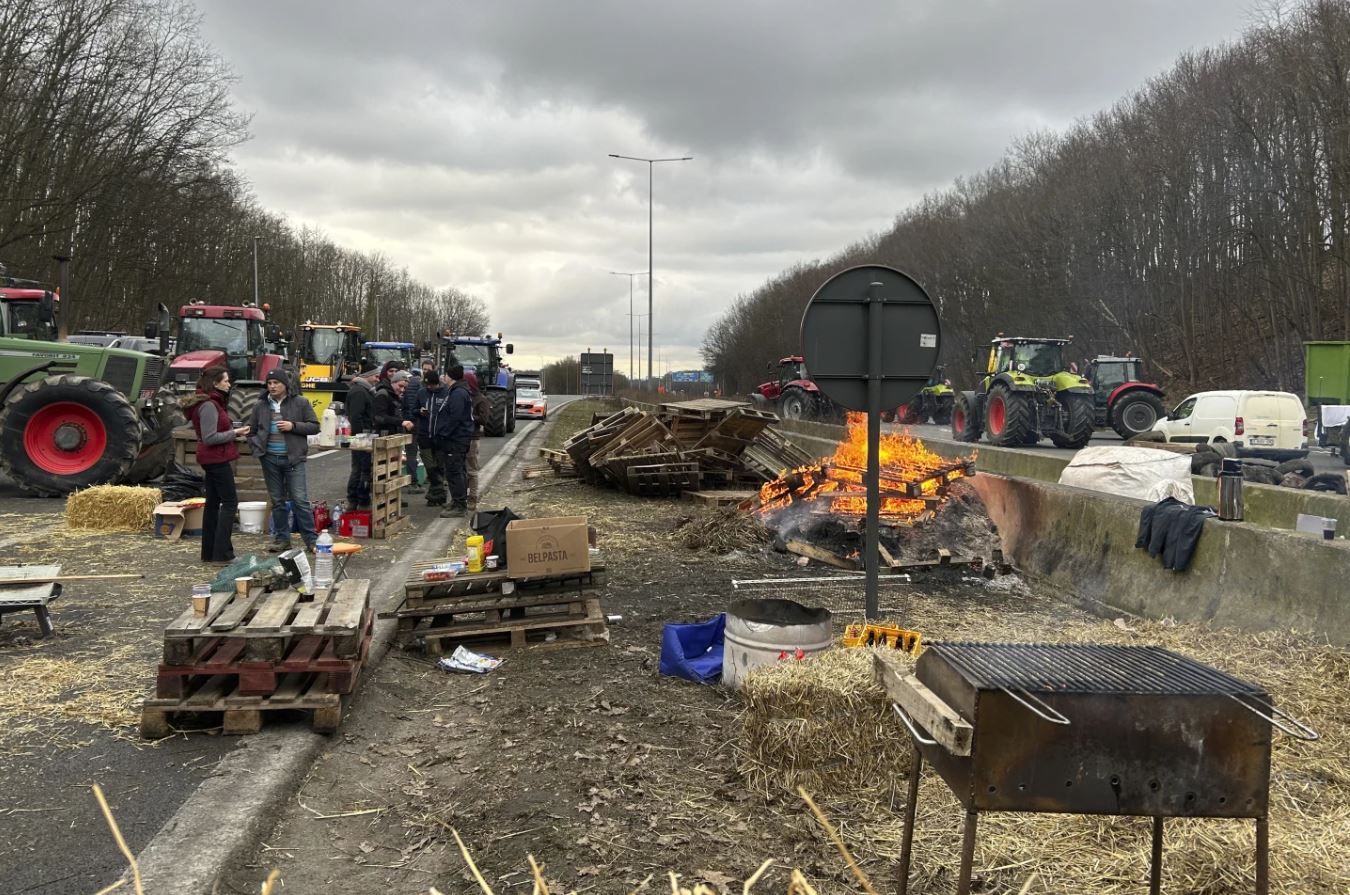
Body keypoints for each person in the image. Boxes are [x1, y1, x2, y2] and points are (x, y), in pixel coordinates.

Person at [249, 368, 321, 553]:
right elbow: (252, 430)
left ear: (285, 385)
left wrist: (293, 426)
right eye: (269, 383)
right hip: (270, 459)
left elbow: (314, 426)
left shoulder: (300, 402)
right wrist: (257, 447)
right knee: (277, 501)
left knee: (300, 500)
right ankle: (282, 539)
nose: (272, 386)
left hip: (293, 459)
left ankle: (311, 540)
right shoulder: (260, 405)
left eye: (276, 383)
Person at [184, 366, 250, 563]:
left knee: (212, 504)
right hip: (216, 459)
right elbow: (210, 437)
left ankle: (209, 553)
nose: (229, 384)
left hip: (213, 458)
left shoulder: (211, 402)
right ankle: (223, 553)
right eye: (226, 381)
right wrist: (235, 433)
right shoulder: (209, 405)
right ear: (215, 383)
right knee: (230, 503)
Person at [426, 363, 474, 516]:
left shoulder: (458, 393)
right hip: (455, 438)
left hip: (456, 439)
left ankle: (460, 505)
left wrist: (444, 433)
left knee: (455, 471)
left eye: (445, 375)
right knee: (454, 470)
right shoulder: (455, 391)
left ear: (451, 377)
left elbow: (455, 417)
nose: (443, 377)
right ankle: (456, 500)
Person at [344, 368, 380, 509]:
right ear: (367, 376)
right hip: (361, 438)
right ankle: (355, 499)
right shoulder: (359, 392)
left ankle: (361, 498)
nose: (377, 379)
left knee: (363, 469)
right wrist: (361, 438)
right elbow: (356, 417)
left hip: (365, 436)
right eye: (376, 376)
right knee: (359, 469)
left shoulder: (364, 390)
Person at [416, 371, 447, 505]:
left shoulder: (446, 393)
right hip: (424, 436)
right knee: (430, 467)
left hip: (440, 437)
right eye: (427, 385)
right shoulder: (421, 393)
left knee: (439, 467)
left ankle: (435, 496)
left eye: (432, 385)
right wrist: (419, 411)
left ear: (437, 383)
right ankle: (439, 494)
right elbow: (413, 409)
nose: (429, 387)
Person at [463, 371, 492, 510]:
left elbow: (484, 420)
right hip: (461, 437)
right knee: (462, 470)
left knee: (471, 470)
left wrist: (470, 416)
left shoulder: (481, 399)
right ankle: (461, 497)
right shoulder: (463, 397)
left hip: (473, 438)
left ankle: (472, 498)